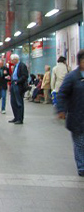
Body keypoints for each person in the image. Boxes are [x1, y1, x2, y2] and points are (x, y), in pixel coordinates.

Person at [56, 49, 84, 177]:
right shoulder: (72, 77)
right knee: (79, 143)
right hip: (77, 116)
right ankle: (81, 167)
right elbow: (62, 93)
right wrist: (61, 109)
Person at [9, 54, 28, 124]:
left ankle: (20, 118)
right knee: (13, 101)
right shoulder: (15, 66)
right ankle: (16, 117)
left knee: (19, 102)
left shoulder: (22, 66)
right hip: (13, 84)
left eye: (12, 60)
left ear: (15, 59)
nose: (11, 61)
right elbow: (14, 75)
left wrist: (18, 81)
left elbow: (25, 76)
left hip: (18, 85)